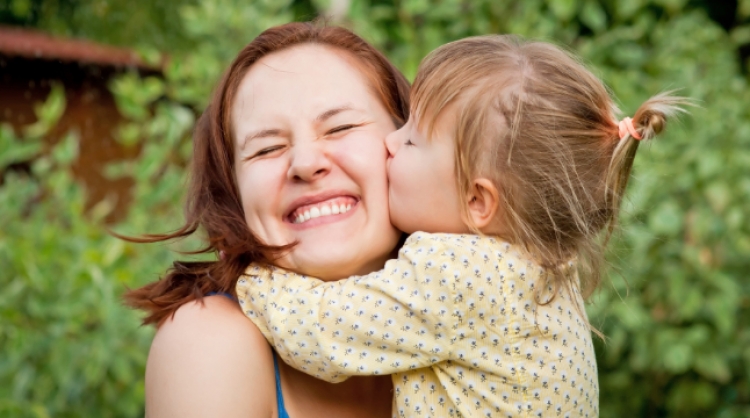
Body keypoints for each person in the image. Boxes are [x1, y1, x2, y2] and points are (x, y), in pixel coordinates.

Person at [237, 35, 687, 417]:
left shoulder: (458, 273)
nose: (390, 143)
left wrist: (249, 273)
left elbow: (319, 332)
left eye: (412, 139)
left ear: (477, 201)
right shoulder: (545, 267)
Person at [123, 22, 411, 418]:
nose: (306, 164)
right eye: (267, 149)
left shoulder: (496, 299)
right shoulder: (208, 342)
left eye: (340, 127)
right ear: (233, 196)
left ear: (410, 143)